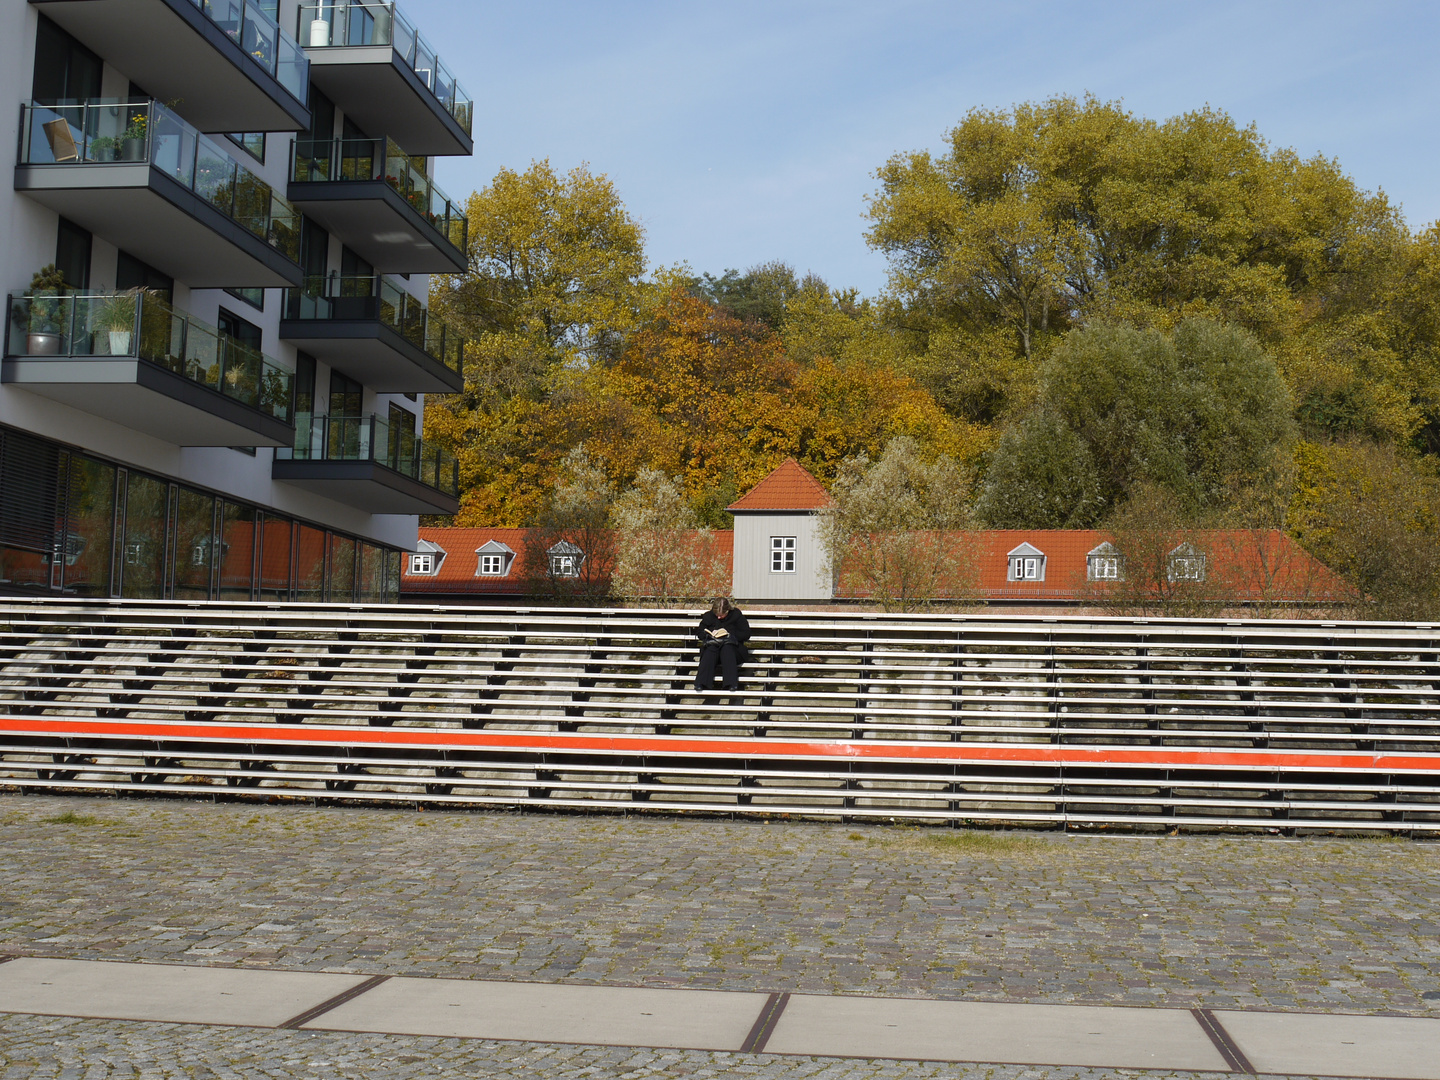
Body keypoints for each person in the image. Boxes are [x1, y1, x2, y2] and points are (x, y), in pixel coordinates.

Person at [694, 597, 750, 692]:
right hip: (714, 646)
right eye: (717, 615)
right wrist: (708, 635)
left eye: (721, 615)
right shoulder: (708, 616)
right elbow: (700, 632)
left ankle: (731, 683)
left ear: (728, 610)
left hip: (733, 648)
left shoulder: (736, 615)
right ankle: (701, 682)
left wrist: (730, 635)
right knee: (711, 649)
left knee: (727, 649)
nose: (719, 617)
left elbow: (746, 633)